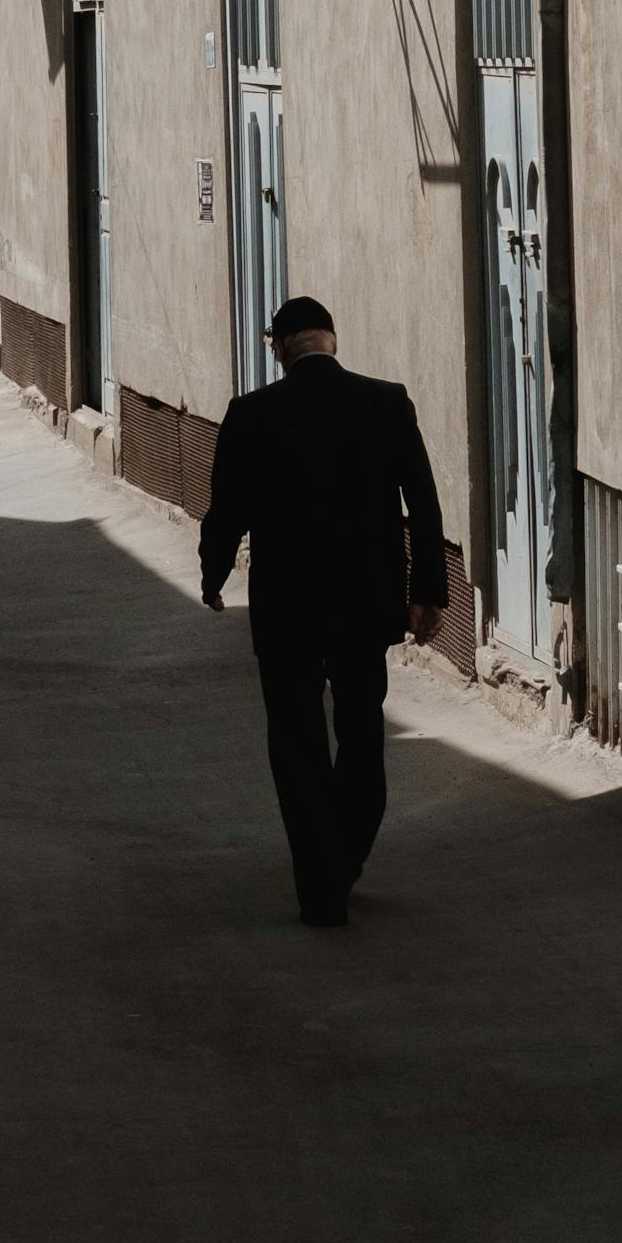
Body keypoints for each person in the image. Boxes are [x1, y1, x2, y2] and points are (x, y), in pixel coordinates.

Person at [198, 296, 448, 927]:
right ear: (332, 340)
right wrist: (428, 593)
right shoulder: (387, 402)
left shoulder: (251, 413)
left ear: (279, 348)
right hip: (366, 604)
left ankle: (320, 883)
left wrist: (213, 571)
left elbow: (227, 507)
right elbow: (423, 503)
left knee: (296, 743)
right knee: (363, 733)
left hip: (287, 608)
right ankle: (346, 856)